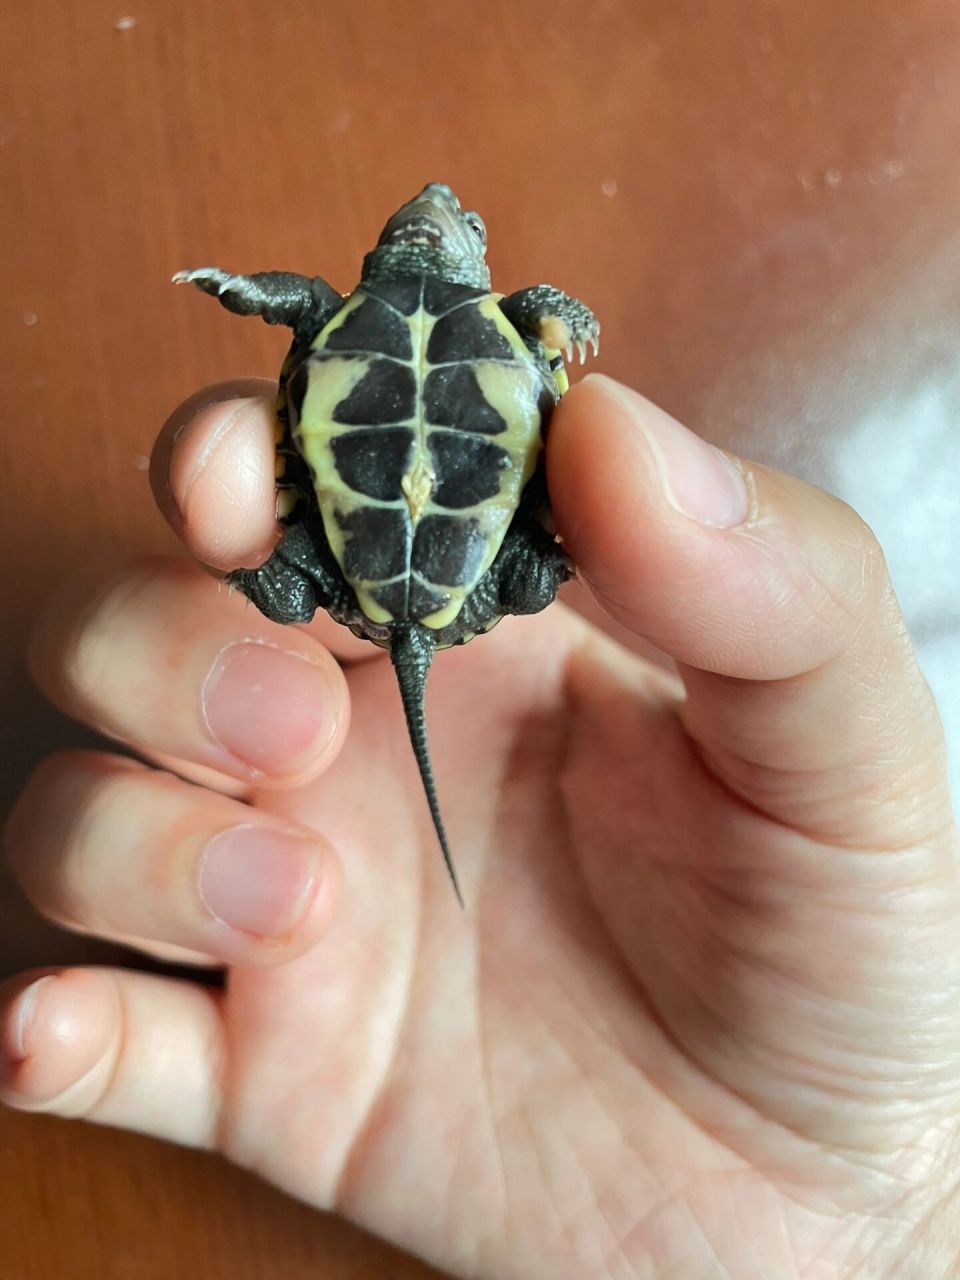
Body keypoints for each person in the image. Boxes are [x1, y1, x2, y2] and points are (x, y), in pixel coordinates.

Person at [2, 374, 958, 1278]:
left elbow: (304, 326)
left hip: (367, 590)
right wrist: (887, 1231)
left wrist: (895, 1229)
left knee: (253, 527)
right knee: (234, 496)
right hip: (436, 611)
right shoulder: (511, 339)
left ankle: (273, 593)